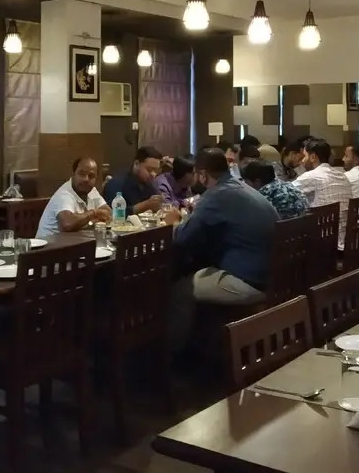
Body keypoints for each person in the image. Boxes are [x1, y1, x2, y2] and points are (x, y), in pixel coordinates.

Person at [169, 148, 278, 351]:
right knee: (198, 272)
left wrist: (173, 223)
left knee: (180, 290)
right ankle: (206, 345)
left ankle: (176, 355)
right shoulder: (240, 187)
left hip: (249, 281)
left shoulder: (215, 195)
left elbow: (183, 239)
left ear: (202, 175)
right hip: (272, 275)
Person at [292, 138, 352, 245]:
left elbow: (285, 192)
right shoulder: (342, 176)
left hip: (323, 241)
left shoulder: (312, 176)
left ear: (313, 157)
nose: (302, 161)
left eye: (305, 156)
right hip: (345, 239)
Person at [37, 157, 111, 237]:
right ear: (73, 174)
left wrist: (89, 220)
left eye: (91, 176)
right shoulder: (64, 194)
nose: (86, 179)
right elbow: (68, 224)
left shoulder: (91, 190)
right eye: (82, 174)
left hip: (75, 241)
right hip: (49, 244)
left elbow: (108, 213)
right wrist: (94, 213)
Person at [102, 146, 164, 215]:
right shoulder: (116, 184)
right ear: (136, 164)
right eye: (149, 170)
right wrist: (145, 205)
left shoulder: (150, 186)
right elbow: (111, 213)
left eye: (156, 171)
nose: (153, 174)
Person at [242, 158, 309, 220]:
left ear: (257, 182)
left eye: (246, 182)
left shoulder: (261, 198)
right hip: (306, 226)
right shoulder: (290, 186)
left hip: (283, 228)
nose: (245, 184)